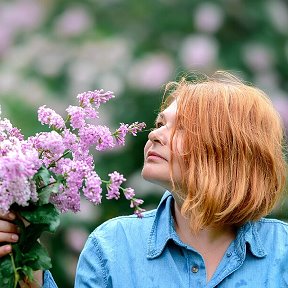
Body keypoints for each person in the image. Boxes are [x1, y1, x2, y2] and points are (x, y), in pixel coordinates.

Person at [1, 71, 287, 287]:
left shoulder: (282, 252)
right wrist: (26, 253)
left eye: (183, 127)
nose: (154, 134)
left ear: (230, 147)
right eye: (161, 123)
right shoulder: (112, 246)